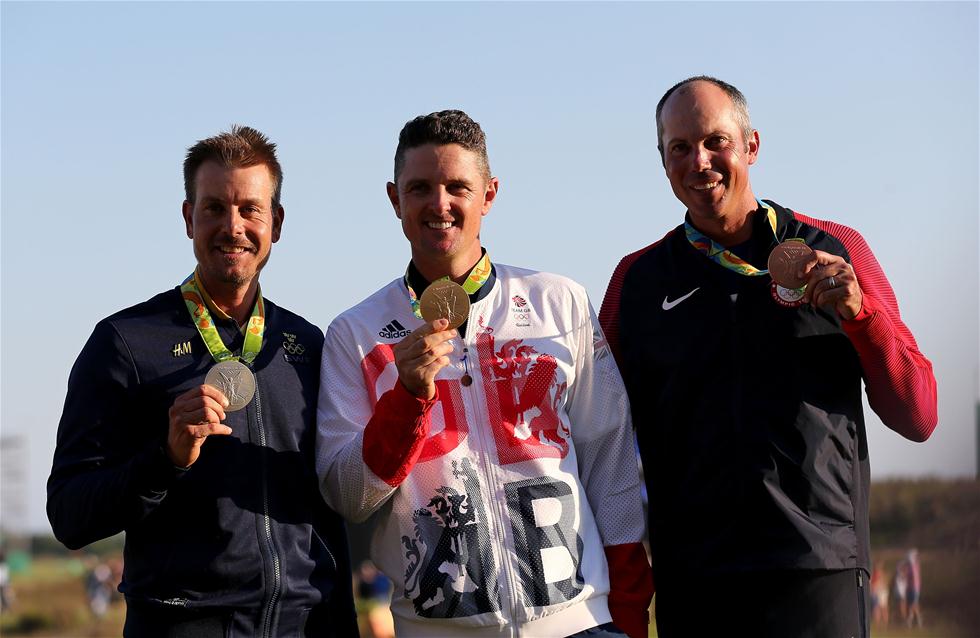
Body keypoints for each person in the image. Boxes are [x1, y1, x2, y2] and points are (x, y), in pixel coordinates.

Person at [599, 76, 938, 637]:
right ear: (662, 161)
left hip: (819, 568)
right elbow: (598, 439)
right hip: (695, 579)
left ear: (751, 145)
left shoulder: (835, 249)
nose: (699, 161)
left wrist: (862, 315)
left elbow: (918, 414)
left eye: (716, 142)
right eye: (679, 148)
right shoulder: (635, 281)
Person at [316, 110, 653, 637]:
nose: (440, 204)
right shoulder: (354, 334)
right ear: (394, 198)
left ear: (489, 194)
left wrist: (627, 612)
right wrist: (406, 399)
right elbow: (346, 496)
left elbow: (611, 467)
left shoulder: (559, 301)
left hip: (581, 623)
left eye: (458, 187)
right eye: (420, 188)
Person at [47, 126, 358, 637]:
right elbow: (68, 514)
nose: (233, 227)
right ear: (188, 217)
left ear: (276, 223)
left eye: (250, 209)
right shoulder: (125, 342)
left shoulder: (307, 344)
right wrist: (165, 460)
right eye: (214, 208)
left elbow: (328, 511)